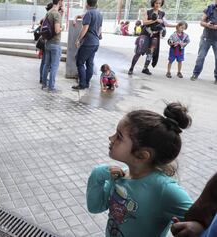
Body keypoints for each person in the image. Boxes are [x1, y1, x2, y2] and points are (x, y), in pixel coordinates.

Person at [87, 102, 193, 237]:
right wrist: (98, 174)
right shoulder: (120, 175)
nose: (111, 138)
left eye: (119, 136)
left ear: (142, 155)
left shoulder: (163, 189)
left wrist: (197, 226)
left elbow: (203, 222)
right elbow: (95, 207)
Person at [128, 0, 175, 76]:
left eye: (159, 3)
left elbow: (166, 24)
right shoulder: (148, 12)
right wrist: (155, 20)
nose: (158, 5)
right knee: (139, 52)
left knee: (150, 53)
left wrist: (176, 26)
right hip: (146, 34)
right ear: (153, 3)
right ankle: (131, 68)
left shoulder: (162, 13)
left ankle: (145, 68)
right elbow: (145, 22)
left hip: (155, 36)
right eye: (156, 3)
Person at [71, 0, 103, 90]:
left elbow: (85, 28)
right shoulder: (99, 14)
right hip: (95, 43)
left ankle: (82, 84)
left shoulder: (89, 14)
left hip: (88, 42)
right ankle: (86, 83)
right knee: (89, 63)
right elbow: (100, 29)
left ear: (87, 4)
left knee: (79, 62)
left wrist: (78, 39)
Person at [191, 0, 217, 84]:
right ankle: (195, 74)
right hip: (206, 38)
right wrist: (207, 25)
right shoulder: (210, 9)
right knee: (201, 57)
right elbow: (201, 22)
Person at [41, 0, 64, 92]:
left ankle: (44, 85)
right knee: (54, 66)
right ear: (60, 1)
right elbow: (57, 30)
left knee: (46, 64)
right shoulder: (56, 14)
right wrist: (63, 28)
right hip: (55, 43)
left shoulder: (48, 12)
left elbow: (43, 25)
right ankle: (51, 87)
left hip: (48, 43)